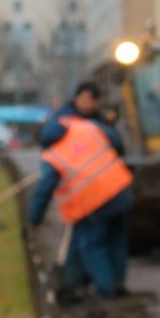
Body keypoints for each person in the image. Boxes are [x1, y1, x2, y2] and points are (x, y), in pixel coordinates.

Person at [29, 81, 135, 302]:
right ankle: (114, 283)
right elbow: (117, 142)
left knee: (91, 245)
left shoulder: (54, 153)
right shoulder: (86, 127)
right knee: (116, 240)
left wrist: (34, 218)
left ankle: (106, 290)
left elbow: (45, 188)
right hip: (120, 190)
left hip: (94, 200)